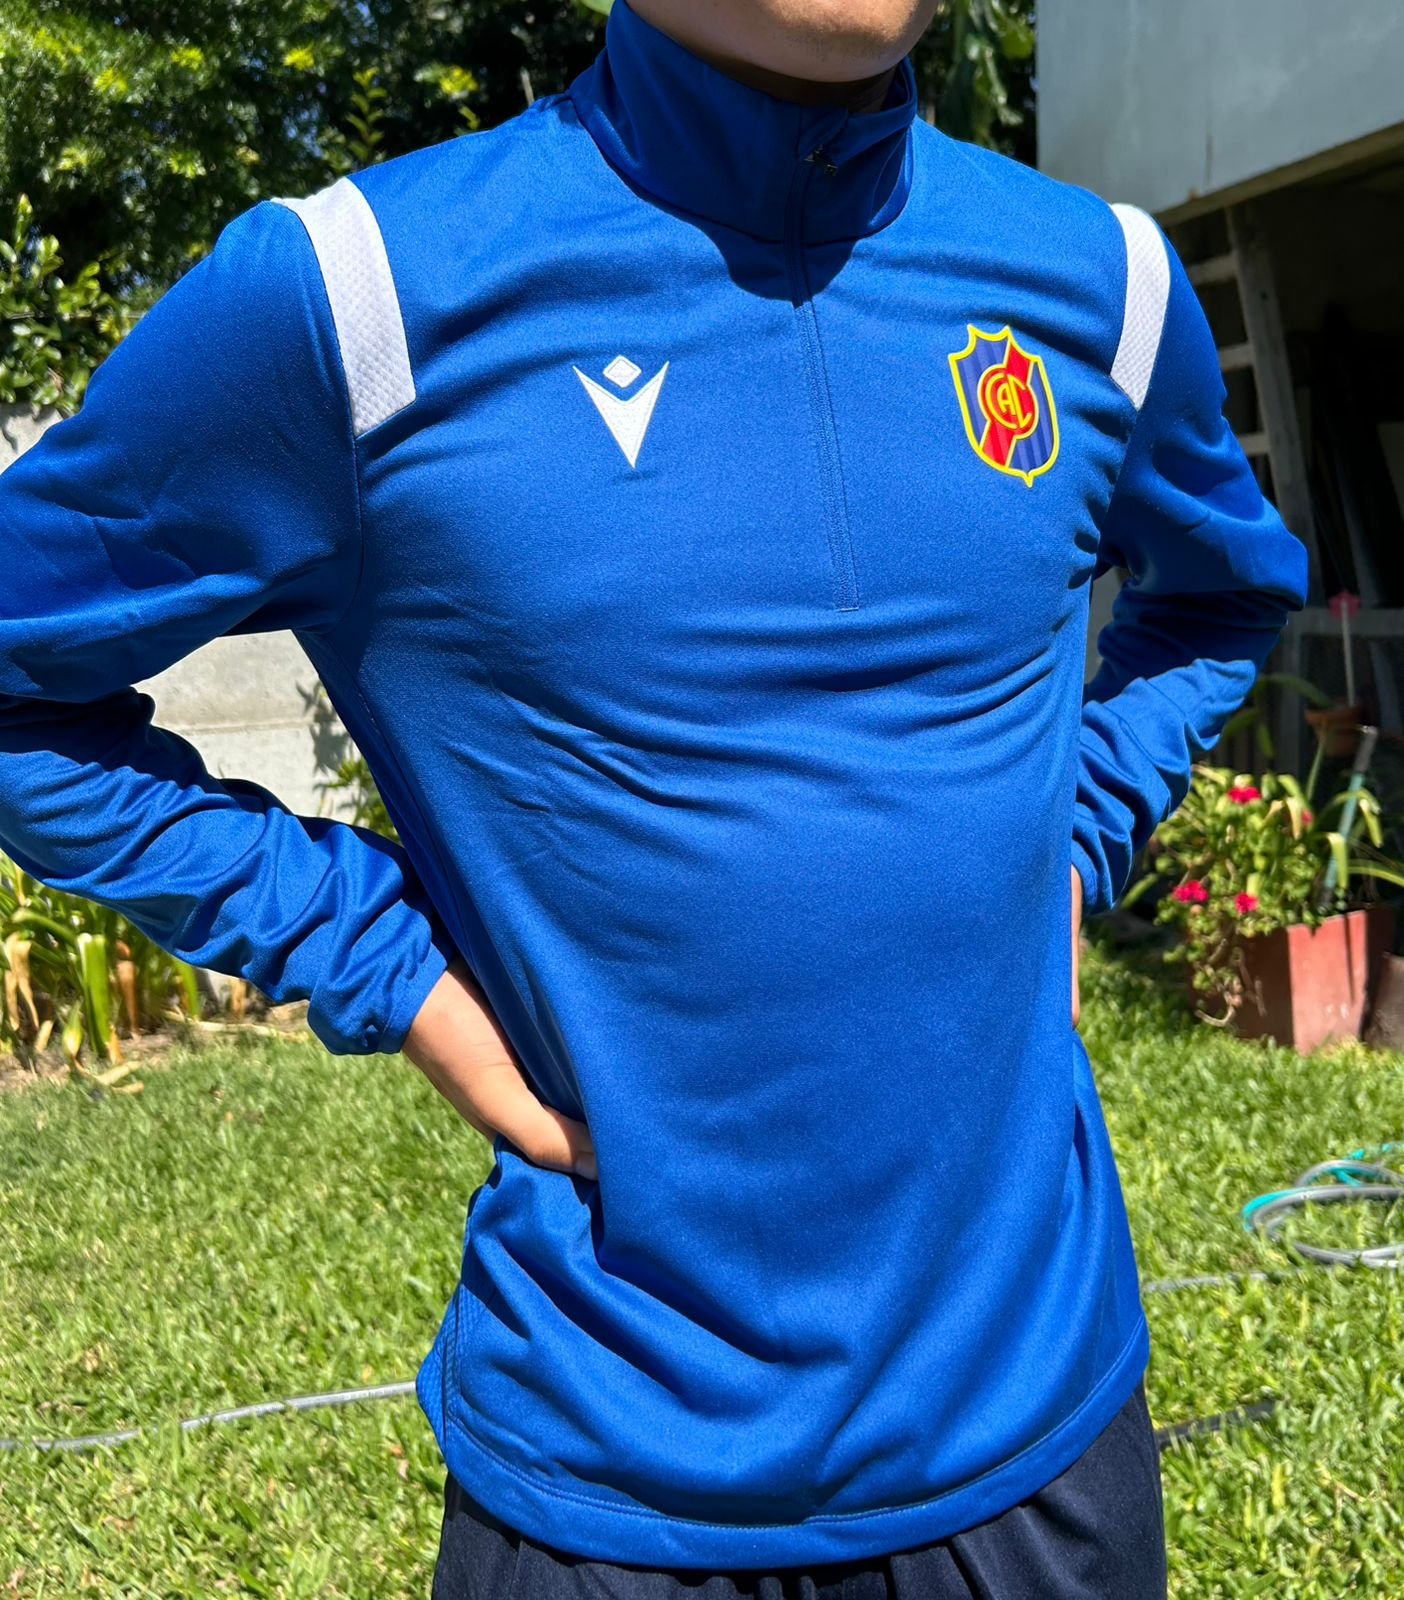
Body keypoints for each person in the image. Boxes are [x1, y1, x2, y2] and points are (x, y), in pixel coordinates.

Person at [0, 0, 1309, 1593]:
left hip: (1045, 1448)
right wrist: (388, 968)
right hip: (612, 1473)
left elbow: (1225, 596)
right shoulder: (356, 297)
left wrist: (1072, 839)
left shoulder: (1106, 285)